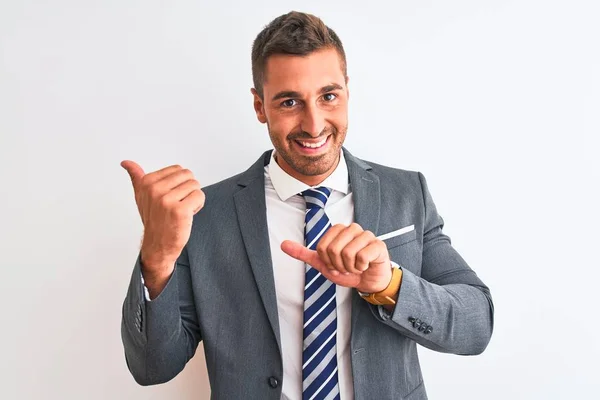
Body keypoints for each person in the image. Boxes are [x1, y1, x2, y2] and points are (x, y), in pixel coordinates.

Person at [120, 10, 494, 400]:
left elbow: (476, 325)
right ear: (259, 105)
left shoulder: (406, 193)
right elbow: (152, 368)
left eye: (328, 96)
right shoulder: (206, 213)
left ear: (347, 91)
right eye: (289, 102)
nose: (314, 125)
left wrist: (388, 284)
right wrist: (158, 255)